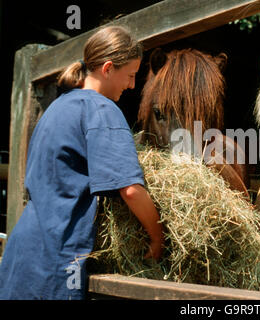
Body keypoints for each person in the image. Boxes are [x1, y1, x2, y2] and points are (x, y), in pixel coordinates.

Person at [0, 26, 163, 300]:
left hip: (21, 254)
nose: (132, 85)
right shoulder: (102, 110)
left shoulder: (57, 107)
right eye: (131, 75)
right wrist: (158, 237)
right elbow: (131, 189)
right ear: (108, 68)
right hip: (57, 258)